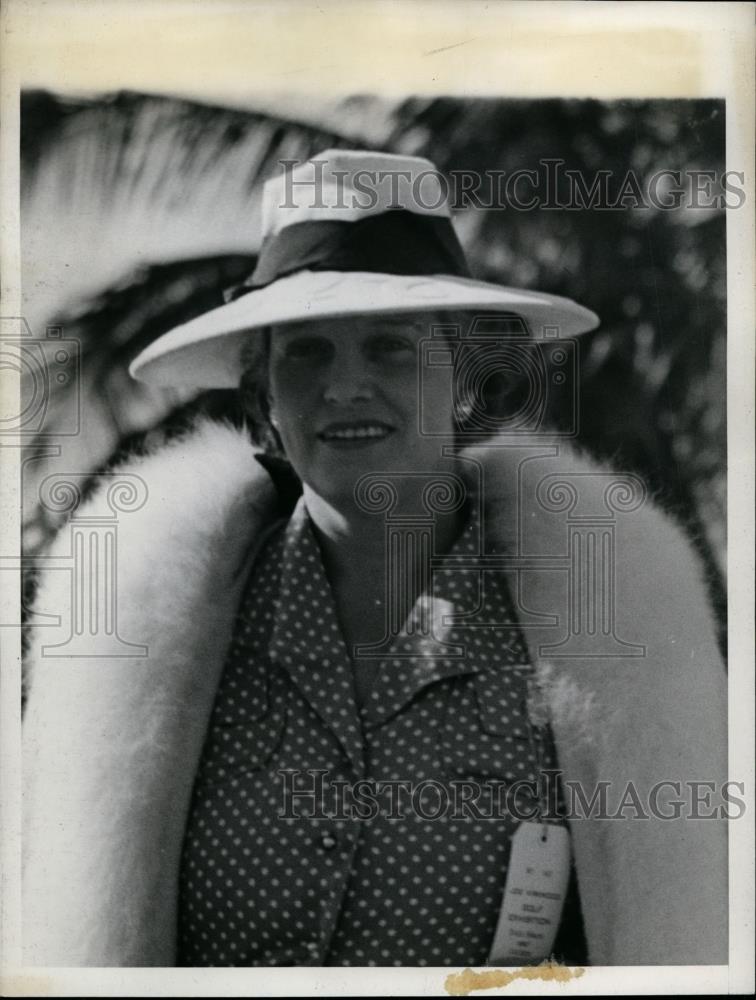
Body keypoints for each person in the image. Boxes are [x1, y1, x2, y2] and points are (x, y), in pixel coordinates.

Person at [22, 150, 728, 968]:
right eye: (307, 352)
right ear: (264, 400)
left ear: (465, 376)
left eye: (390, 348)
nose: (344, 386)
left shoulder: (612, 635)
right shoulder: (147, 641)